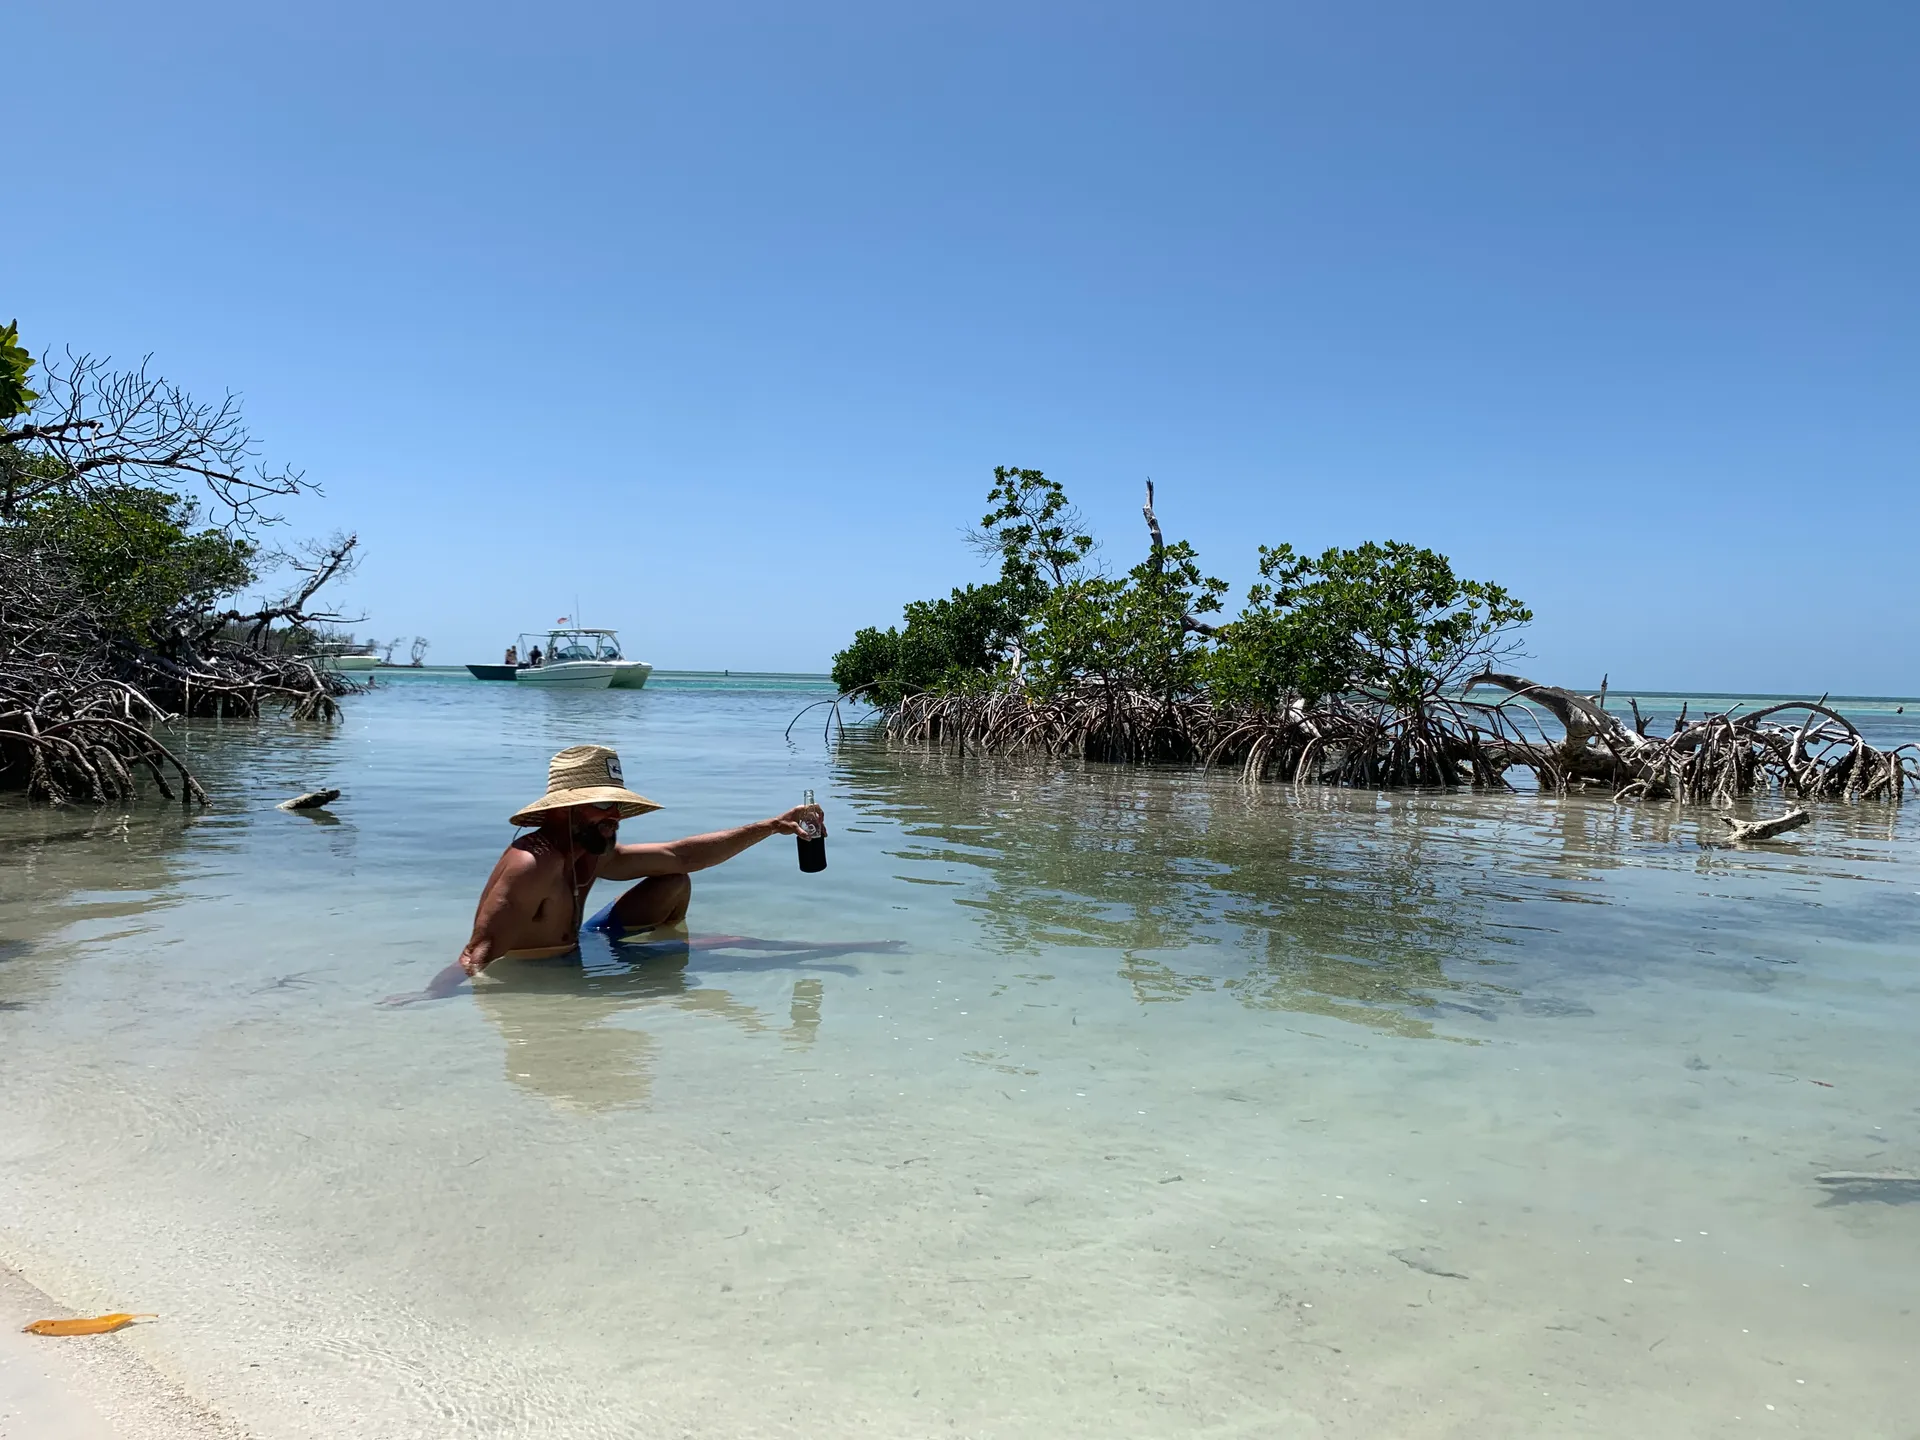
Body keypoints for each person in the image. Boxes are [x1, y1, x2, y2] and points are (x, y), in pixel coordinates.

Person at [412, 745, 825, 999]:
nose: (614, 815)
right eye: (601, 805)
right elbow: (476, 954)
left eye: (616, 805)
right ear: (562, 809)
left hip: (585, 940)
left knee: (673, 881)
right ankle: (664, 957)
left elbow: (680, 856)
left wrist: (771, 826)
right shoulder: (532, 865)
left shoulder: (592, 850)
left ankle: (666, 950)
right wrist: (431, 996)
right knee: (719, 956)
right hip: (543, 968)